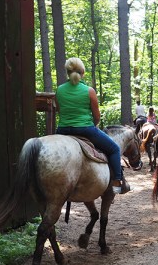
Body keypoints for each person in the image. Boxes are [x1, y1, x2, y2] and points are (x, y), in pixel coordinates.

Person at [55, 57, 129, 194]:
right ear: (83, 72)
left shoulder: (59, 90)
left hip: (63, 130)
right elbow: (97, 117)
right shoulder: (89, 91)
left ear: (67, 72)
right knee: (114, 149)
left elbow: (60, 111)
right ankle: (118, 181)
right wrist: (93, 126)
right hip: (85, 129)